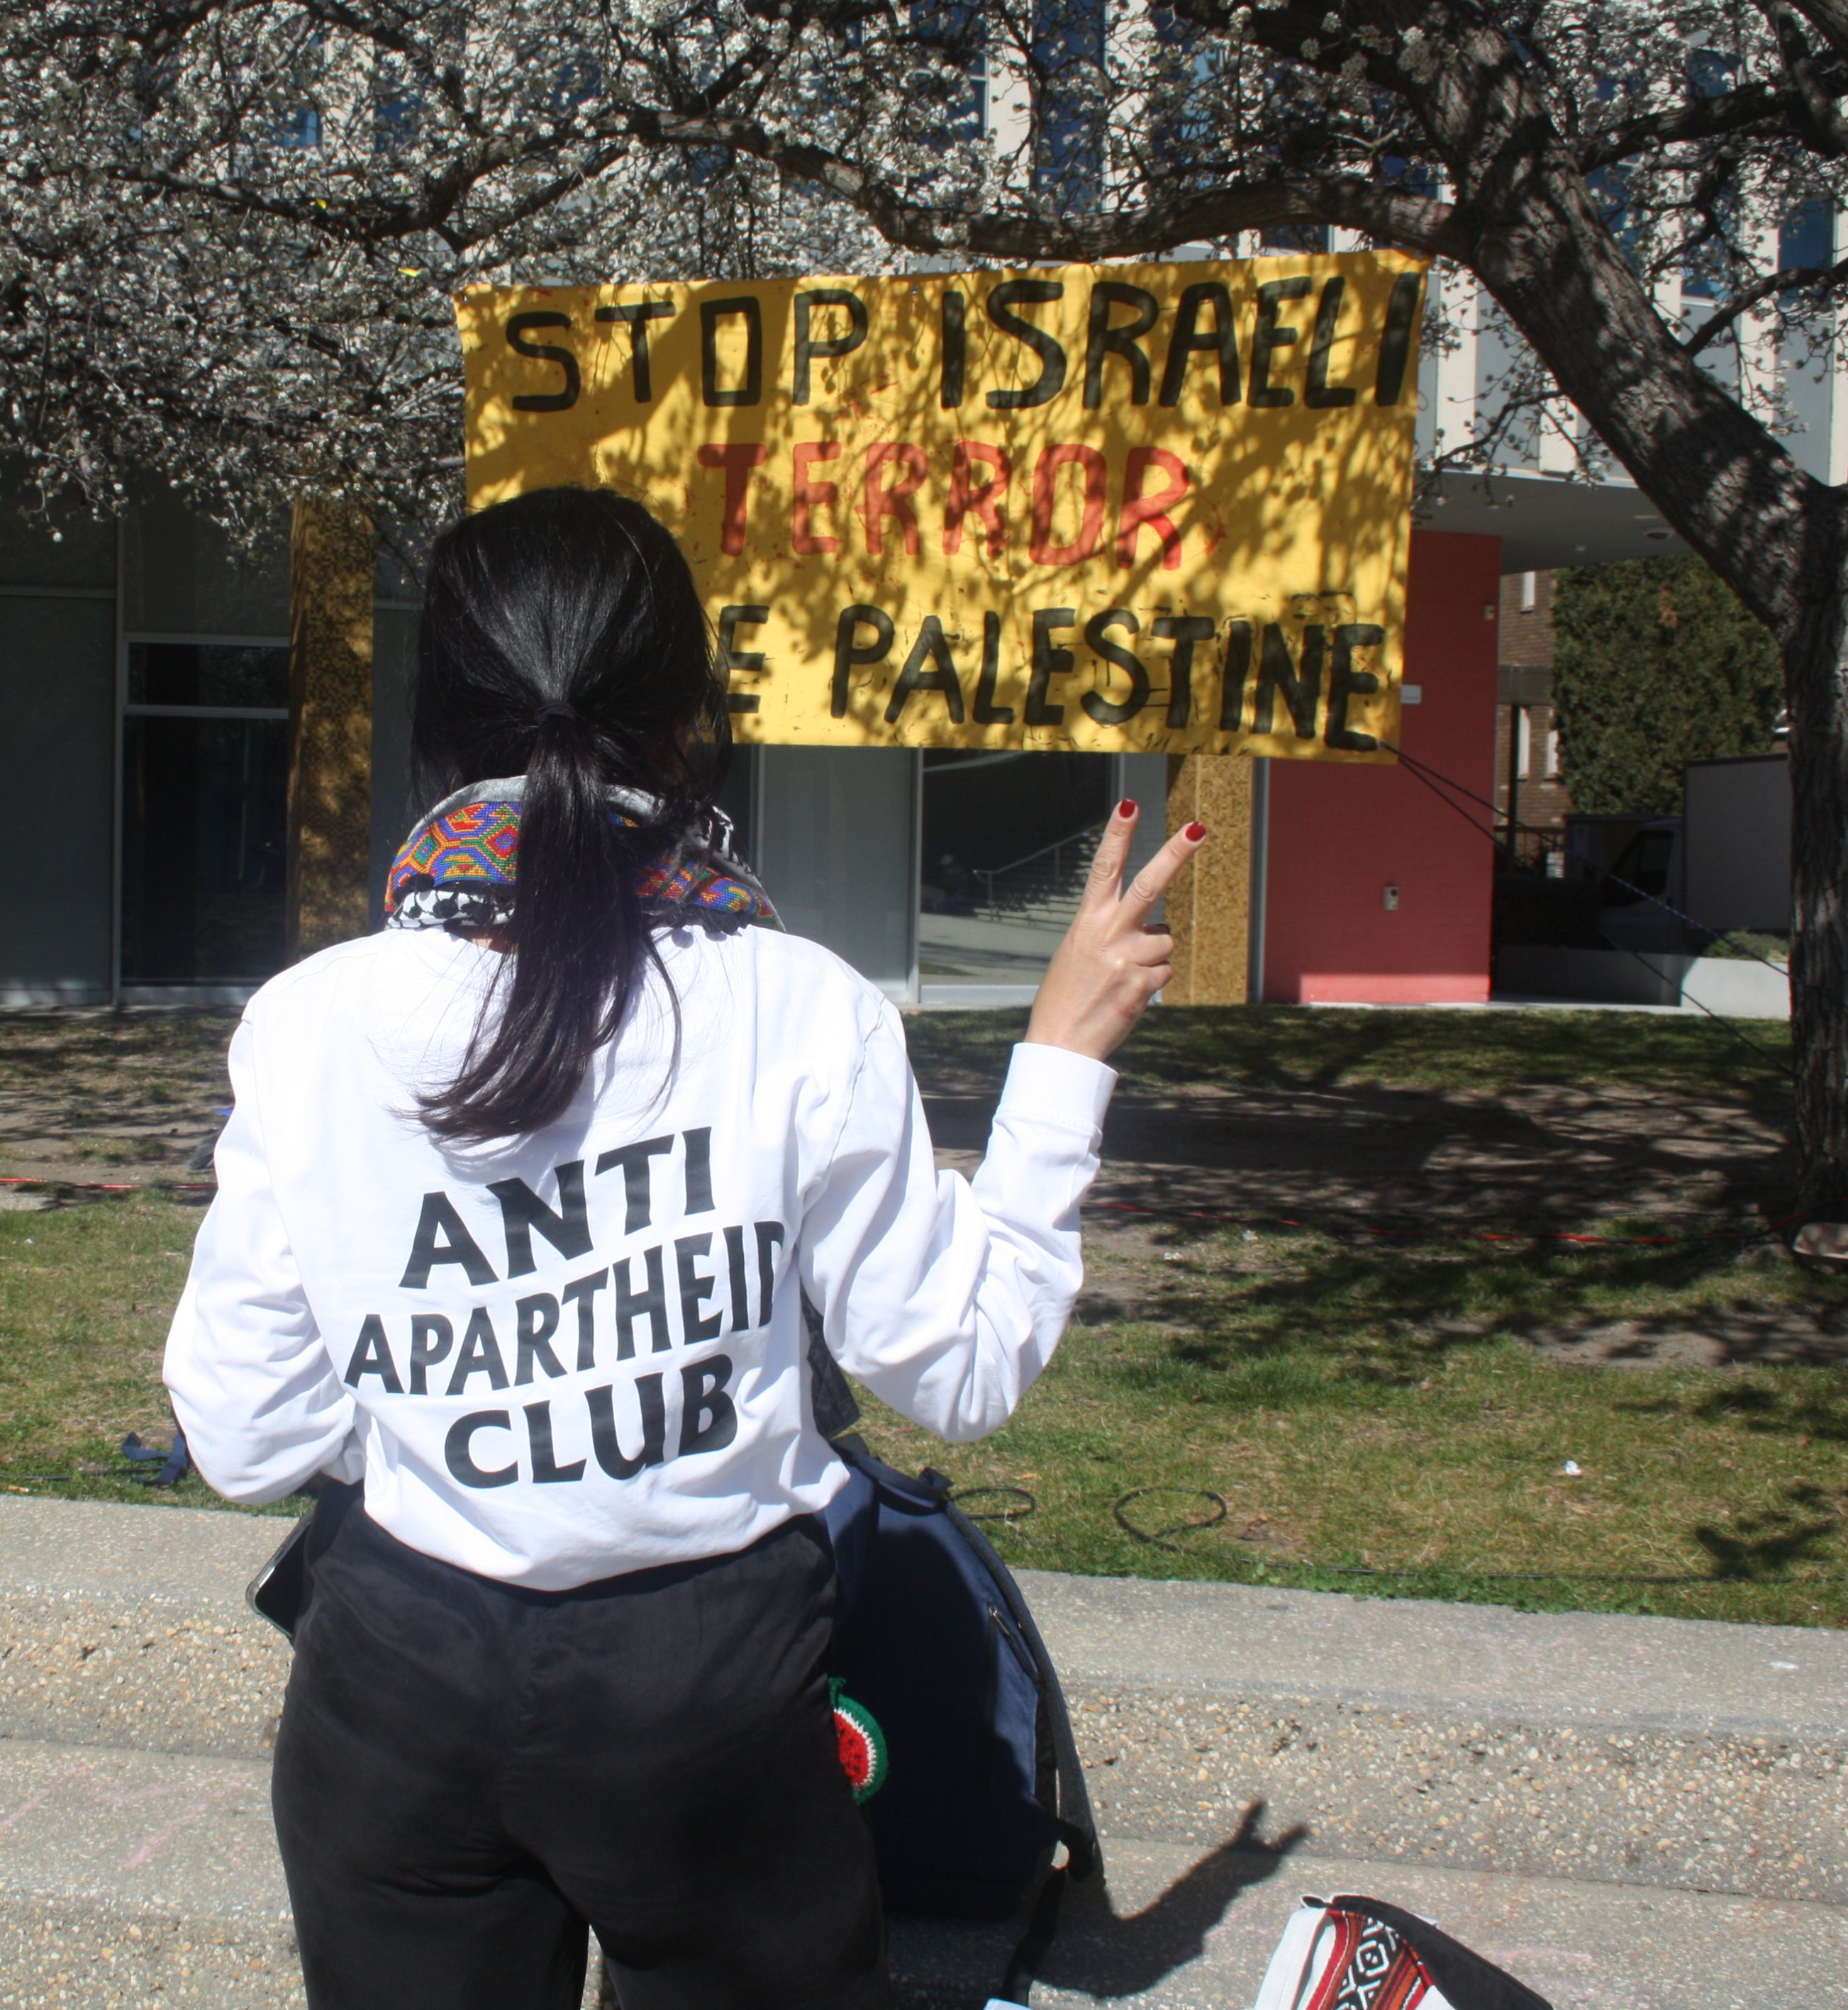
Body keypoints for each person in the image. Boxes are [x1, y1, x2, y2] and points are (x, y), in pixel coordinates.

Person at [164, 486, 1201, 2010]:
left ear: (436, 723)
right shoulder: (799, 1006)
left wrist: (450, 1421)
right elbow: (959, 1366)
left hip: (392, 1688)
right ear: (686, 719)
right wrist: (1058, 1063)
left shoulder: (310, 1019)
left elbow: (247, 1429)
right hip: (703, 1700)